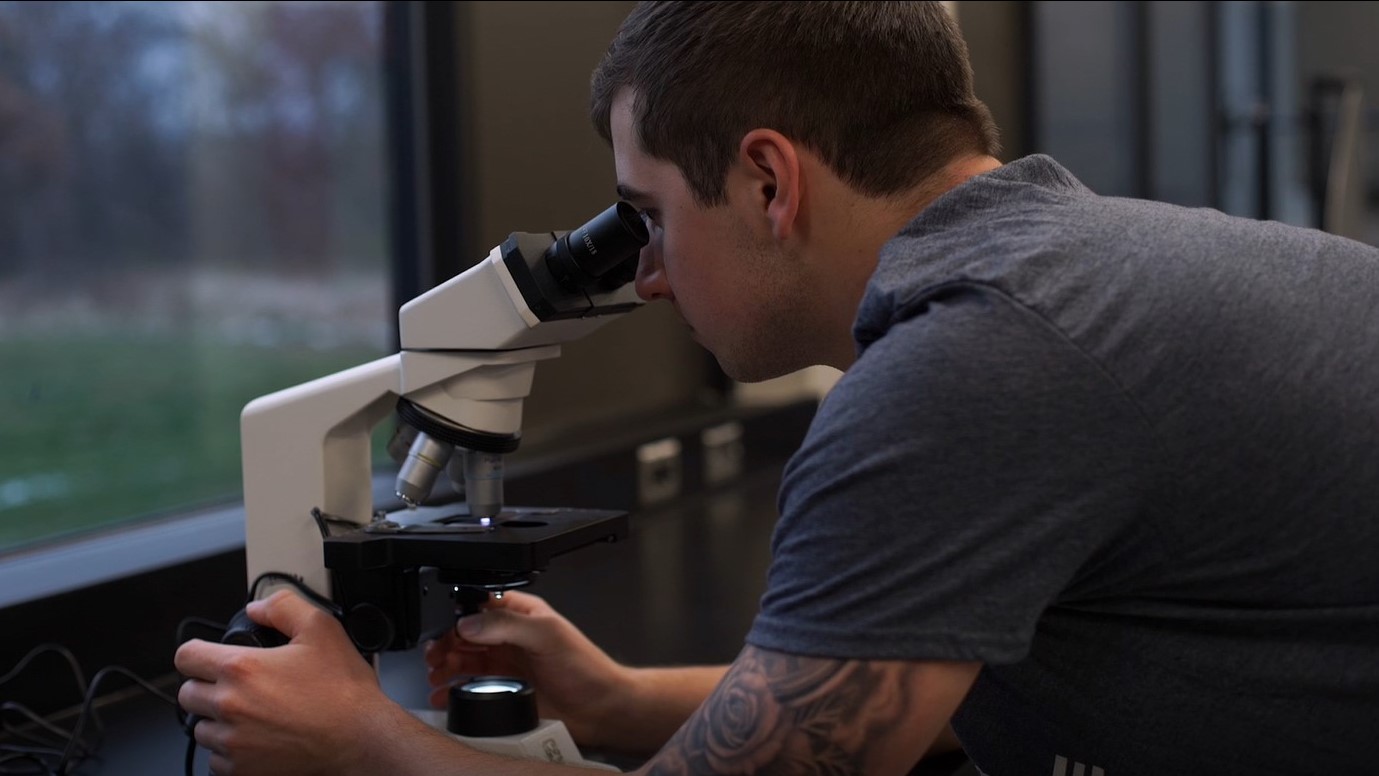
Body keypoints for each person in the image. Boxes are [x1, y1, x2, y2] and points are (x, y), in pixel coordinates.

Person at [174, 2, 1379, 774]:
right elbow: (929, 689)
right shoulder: (1087, 267)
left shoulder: (968, 370)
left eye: (648, 218)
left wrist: (364, 741)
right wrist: (617, 698)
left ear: (766, 182)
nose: (642, 276)